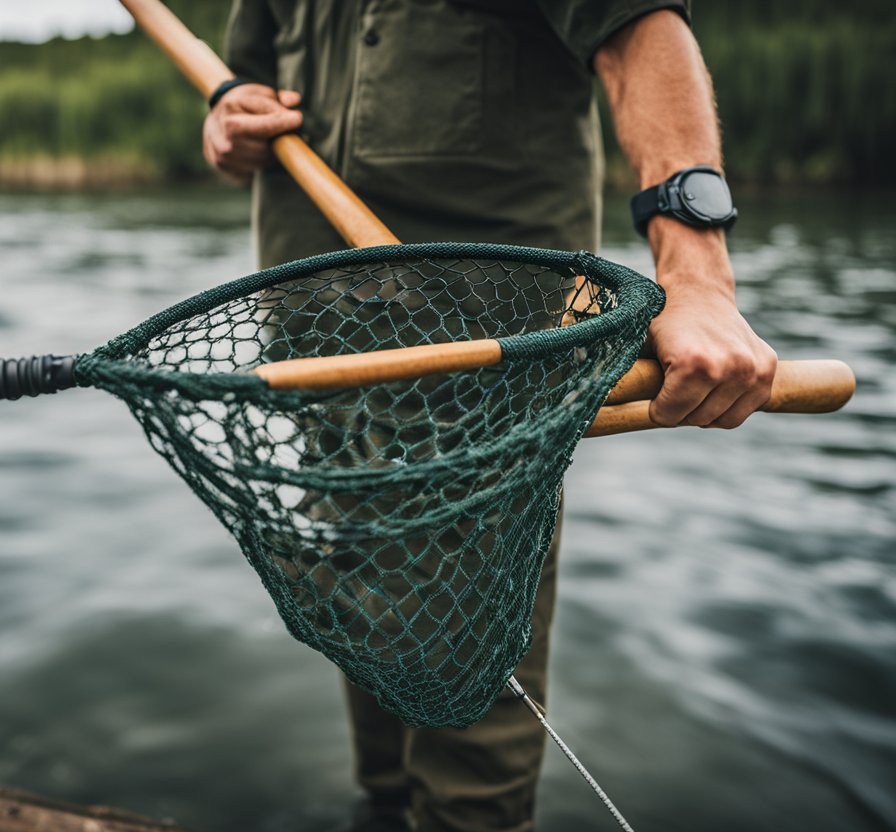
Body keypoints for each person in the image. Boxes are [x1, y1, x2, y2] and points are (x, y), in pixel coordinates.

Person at [201, 2, 777, 830]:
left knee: (470, 650)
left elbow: (639, 36)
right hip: (316, 342)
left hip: (487, 353)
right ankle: (382, 806)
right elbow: (242, 94)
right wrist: (229, 126)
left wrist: (698, 278)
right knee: (361, 601)